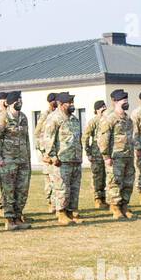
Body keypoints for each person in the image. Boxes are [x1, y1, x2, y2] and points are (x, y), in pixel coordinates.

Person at [0, 90, 32, 230]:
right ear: (10, 103)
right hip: (8, 161)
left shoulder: (23, 117)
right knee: (9, 191)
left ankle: (18, 217)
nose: (19, 103)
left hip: (22, 160)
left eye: (21, 100)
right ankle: (9, 220)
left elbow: (26, 139)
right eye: (17, 100)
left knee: (22, 190)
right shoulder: (2, 118)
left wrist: (28, 158)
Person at [95, 89, 136, 219]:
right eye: (124, 100)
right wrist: (106, 156)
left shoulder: (128, 119)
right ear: (115, 101)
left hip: (128, 155)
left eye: (127, 100)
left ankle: (124, 206)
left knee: (128, 182)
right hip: (115, 156)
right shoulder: (109, 118)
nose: (126, 102)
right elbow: (103, 139)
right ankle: (115, 208)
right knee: (115, 182)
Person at [45, 92, 84, 225]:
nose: (72, 105)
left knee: (74, 187)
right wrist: (52, 156)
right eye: (69, 102)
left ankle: (71, 211)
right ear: (61, 104)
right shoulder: (54, 118)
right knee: (62, 188)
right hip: (61, 160)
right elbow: (48, 139)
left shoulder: (74, 119)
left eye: (73, 102)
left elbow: (79, 139)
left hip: (75, 159)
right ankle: (61, 213)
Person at [34, 92, 61, 220]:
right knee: (49, 180)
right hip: (46, 153)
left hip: (55, 151)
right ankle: (51, 203)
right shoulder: (45, 115)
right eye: (55, 100)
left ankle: (58, 204)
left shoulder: (59, 113)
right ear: (51, 101)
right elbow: (38, 133)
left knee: (57, 179)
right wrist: (43, 151)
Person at [83, 99, 108, 209]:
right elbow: (85, 137)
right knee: (98, 176)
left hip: (107, 153)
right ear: (96, 110)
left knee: (107, 177)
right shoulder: (93, 121)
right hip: (96, 153)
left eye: (104, 106)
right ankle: (98, 199)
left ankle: (104, 199)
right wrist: (88, 152)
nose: (104, 109)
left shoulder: (108, 120)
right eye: (101, 107)